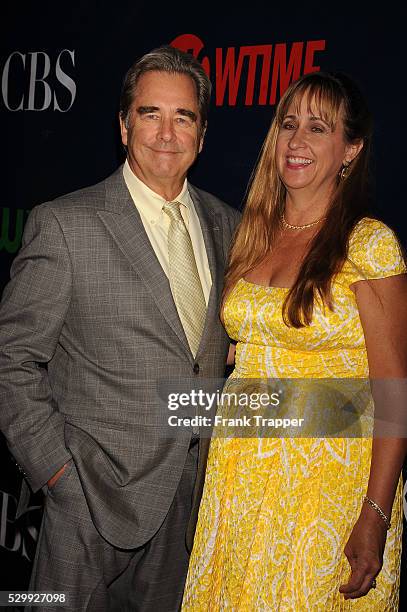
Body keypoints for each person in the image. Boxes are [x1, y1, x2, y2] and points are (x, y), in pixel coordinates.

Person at [0, 45, 240, 611]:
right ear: (124, 126)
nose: (166, 132)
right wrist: (57, 473)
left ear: (202, 136)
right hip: (90, 501)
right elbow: (11, 357)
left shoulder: (228, 226)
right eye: (150, 113)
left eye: (183, 117)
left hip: (190, 505)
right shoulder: (64, 224)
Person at [182, 71, 407, 610]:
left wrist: (374, 516)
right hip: (238, 479)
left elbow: (395, 397)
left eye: (318, 127)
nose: (297, 140)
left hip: (323, 491)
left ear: (351, 149)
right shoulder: (251, 234)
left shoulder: (370, 246)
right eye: (289, 124)